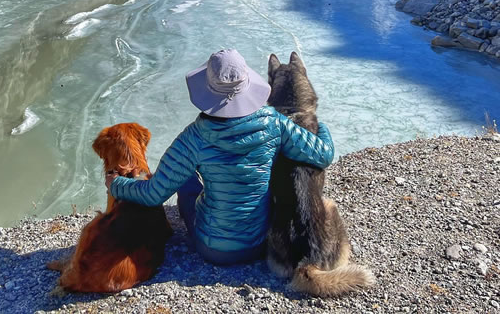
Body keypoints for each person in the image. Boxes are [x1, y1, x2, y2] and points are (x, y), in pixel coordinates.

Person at [105, 48, 334, 265]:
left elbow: (153, 194)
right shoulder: (274, 123)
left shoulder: (193, 138)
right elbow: (323, 154)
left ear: (207, 89)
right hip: (263, 241)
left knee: (184, 179)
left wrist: (117, 184)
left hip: (215, 250)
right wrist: (319, 124)